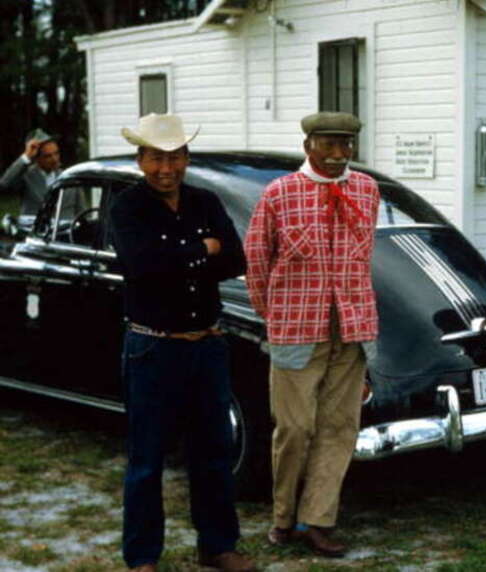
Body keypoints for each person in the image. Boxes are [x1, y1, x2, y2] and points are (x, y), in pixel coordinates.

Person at [110, 113, 253, 572]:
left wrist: (179, 257)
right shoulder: (127, 208)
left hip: (207, 345)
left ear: (186, 158)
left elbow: (235, 259)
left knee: (213, 452)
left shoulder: (205, 201)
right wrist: (201, 250)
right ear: (140, 160)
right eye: (156, 158)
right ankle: (142, 558)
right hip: (153, 347)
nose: (166, 168)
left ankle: (217, 545)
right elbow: (142, 265)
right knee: (147, 458)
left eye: (174, 158)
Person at [244, 112, 380, 556]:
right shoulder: (279, 193)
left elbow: (365, 256)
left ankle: (316, 520)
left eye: (346, 145)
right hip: (296, 328)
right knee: (295, 428)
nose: (339, 154)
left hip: (352, 327)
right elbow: (257, 260)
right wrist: (275, 316)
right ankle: (283, 517)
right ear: (308, 146)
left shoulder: (367, 189)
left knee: (339, 427)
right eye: (329, 145)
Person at [0, 129, 83, 218]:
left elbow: (82, 213)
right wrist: (26, 156)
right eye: (48, 156)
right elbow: (5, 183)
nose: (55, 159)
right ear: (36, 158)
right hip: (34, 226)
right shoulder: (27, 177)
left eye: (56, 153)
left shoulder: (70, 177)